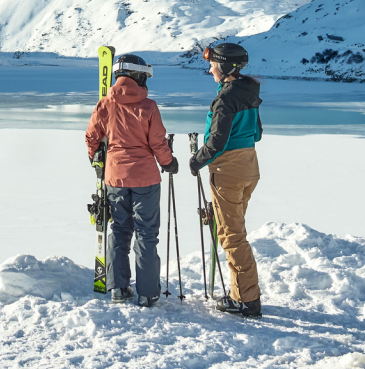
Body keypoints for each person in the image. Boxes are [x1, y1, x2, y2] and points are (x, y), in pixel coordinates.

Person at [85, 53, 178, 306]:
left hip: (114, 177)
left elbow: (92, 137)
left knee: (119, 230)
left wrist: (97, 159)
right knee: (146, 234)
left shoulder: (104, 104)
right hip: (146, 178)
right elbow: (158, 142)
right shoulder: (149, 107)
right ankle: (147, 293)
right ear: (138, 77)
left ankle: (118, 287)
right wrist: (169, 162)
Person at [188, 41, 264, 318]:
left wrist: (196, 160)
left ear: (224, 66)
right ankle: (242, 292)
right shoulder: (248, 92)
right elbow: (256, 133)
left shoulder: (226, 99)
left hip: (228, 171)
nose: (210, 70)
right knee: (235, 231)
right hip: (249, 166)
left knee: (231, 236)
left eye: (212, 65)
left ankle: (246, 299)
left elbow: (216, 142)